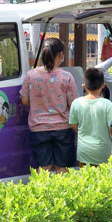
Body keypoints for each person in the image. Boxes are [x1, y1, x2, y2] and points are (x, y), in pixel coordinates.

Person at [20, 38, 78, 173]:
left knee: (43, 169)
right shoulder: (66, 76)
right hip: (63, 127)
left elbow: (24, 101)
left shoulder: (30, 75)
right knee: (62, 168)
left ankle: (43, 194)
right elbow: (73, 104)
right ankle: (62, 194)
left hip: (38, 128)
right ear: (60, 55)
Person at [69, 68, 112, 166]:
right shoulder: (108, 104)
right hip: (104, 151)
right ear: (103, 85)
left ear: (84, 86)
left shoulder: (76, 103)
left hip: (84, 152)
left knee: (86, 179)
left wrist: (83, 131)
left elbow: (73, 125)